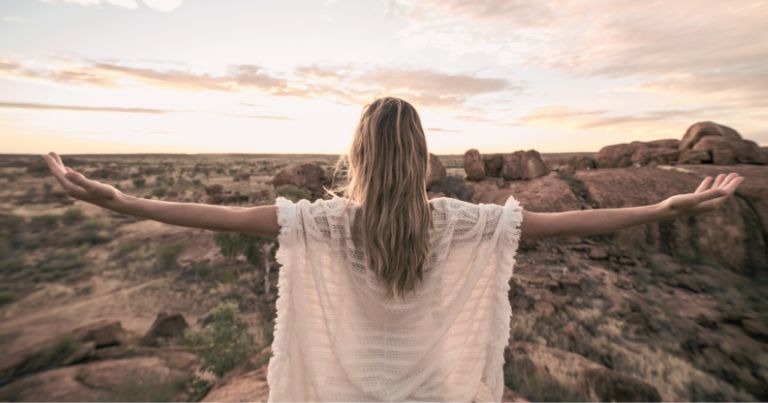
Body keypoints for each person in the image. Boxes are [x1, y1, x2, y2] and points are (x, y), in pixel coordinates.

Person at [42, 97, 744, 402]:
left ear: (358, 156)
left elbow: (220, 214)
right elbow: (567, 226)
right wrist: (662, 204)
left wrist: (120, 200)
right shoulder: (458, 222)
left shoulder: (321, 222)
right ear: (422, 157)